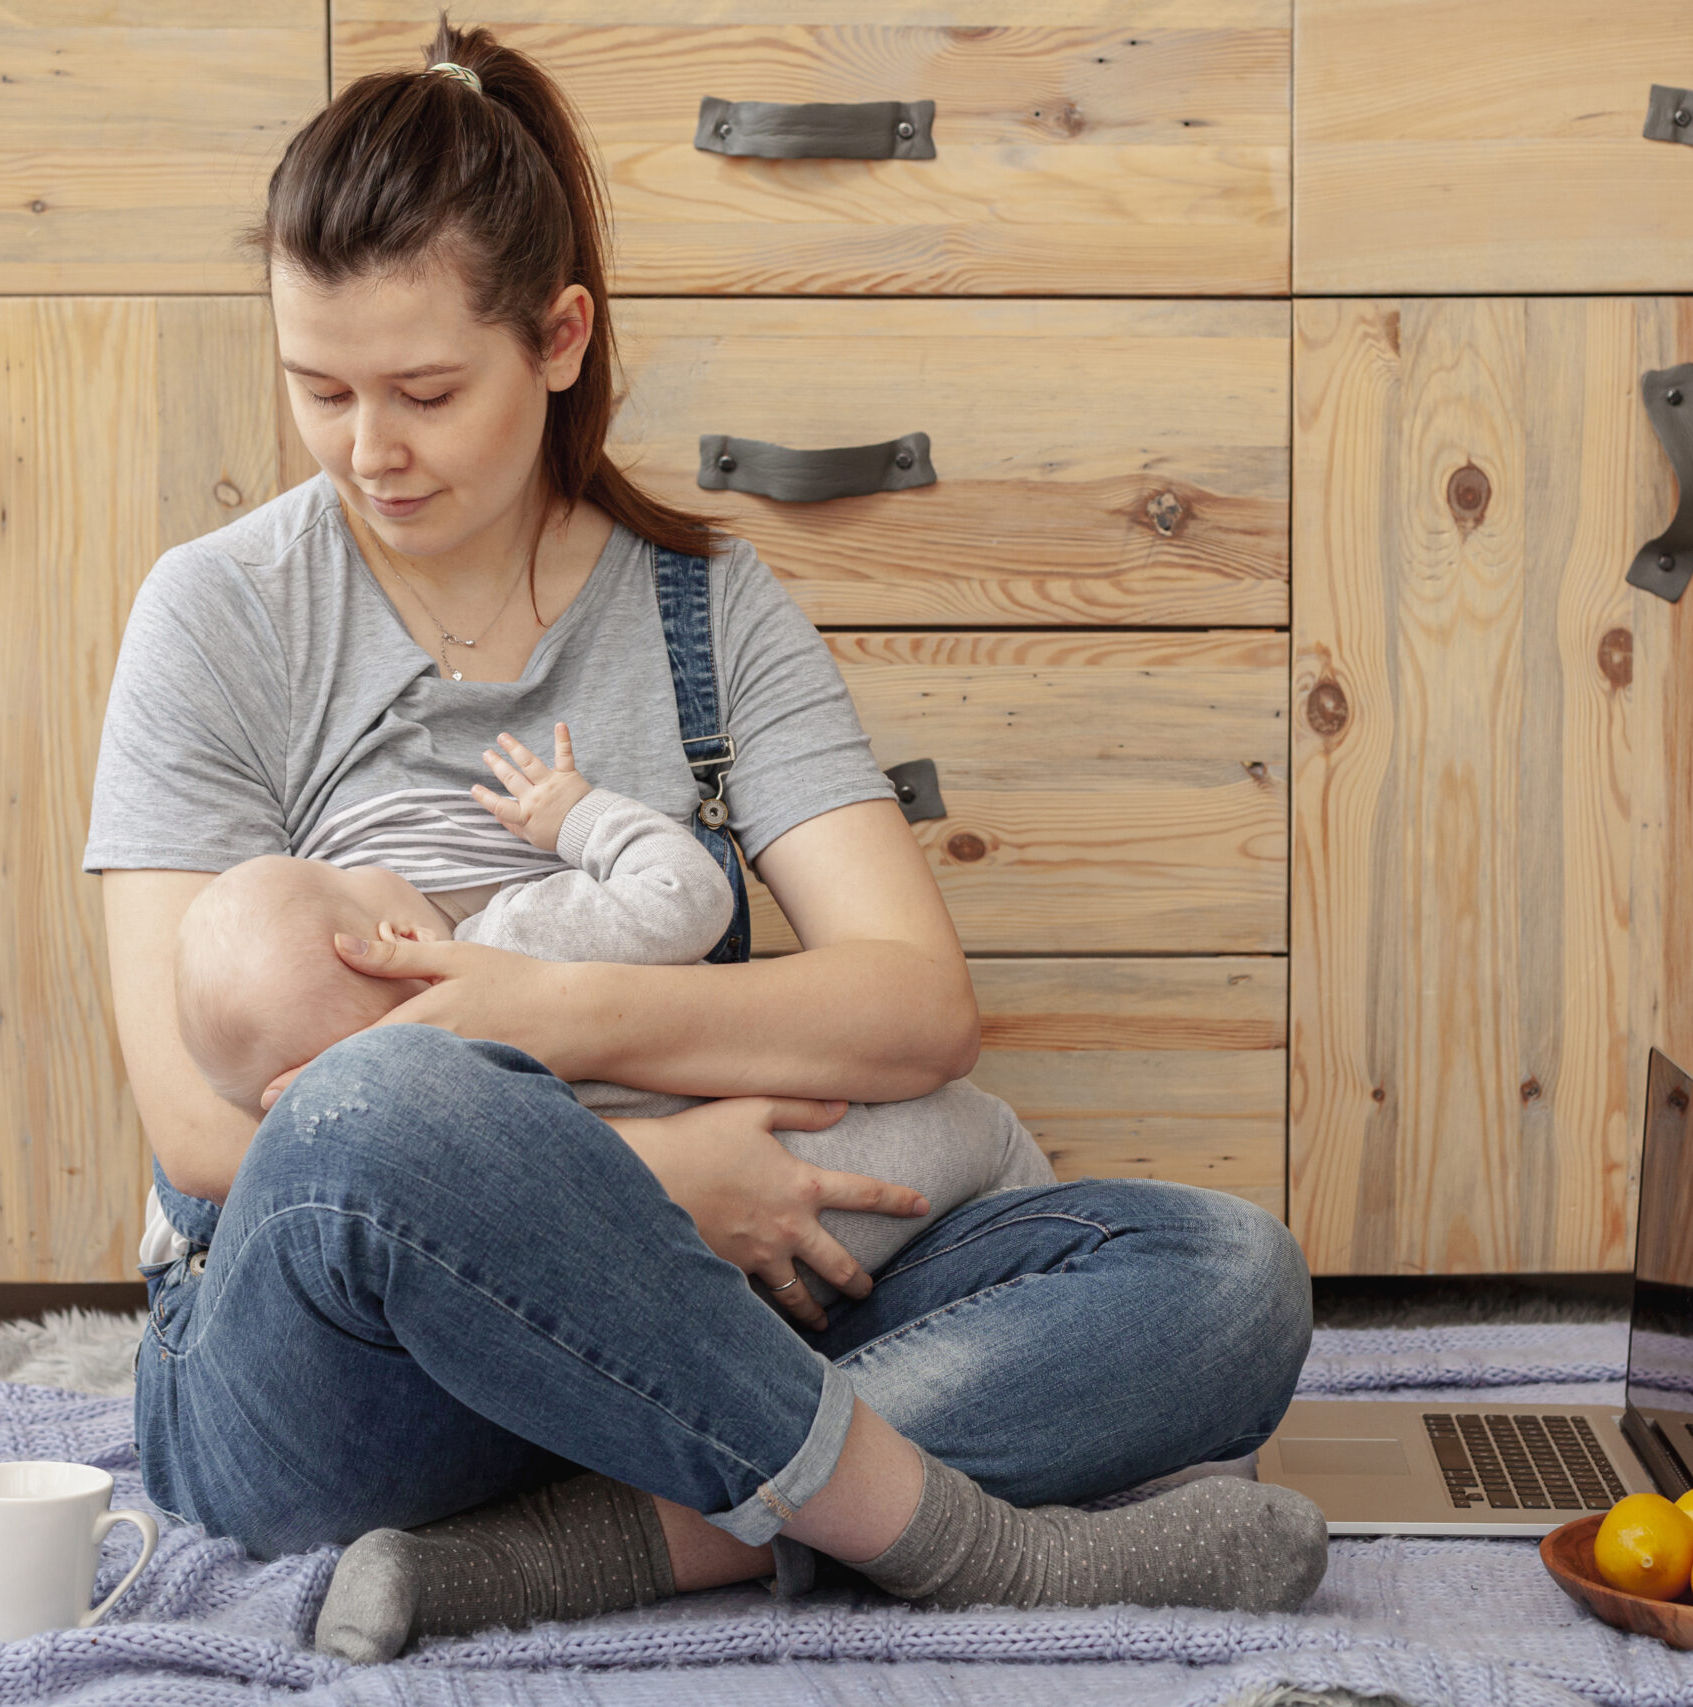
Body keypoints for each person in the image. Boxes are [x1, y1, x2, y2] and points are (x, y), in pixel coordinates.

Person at [83, 19, 1322, 1662]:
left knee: (1223, 1278)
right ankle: (955, 1538)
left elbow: (914, 1004)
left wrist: (543, 1012)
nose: (366, 450)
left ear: (561, 338)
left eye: (425, 391)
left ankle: (592, 1548)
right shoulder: (225, 613)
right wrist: (656, 1183)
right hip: (342, 1382)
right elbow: (204, 1139)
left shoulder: (706, 616)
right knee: (382, 1094)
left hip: (705, 1333)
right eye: (319, 388)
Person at [172, 719, 1057, 1294]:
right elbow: (690, 895)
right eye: (336, 870)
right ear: (396, 935)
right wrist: (580, 819)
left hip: (665, 1289)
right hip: (820, 1180)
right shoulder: (518, 932)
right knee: (1000, 1151)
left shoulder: (406, 1128)